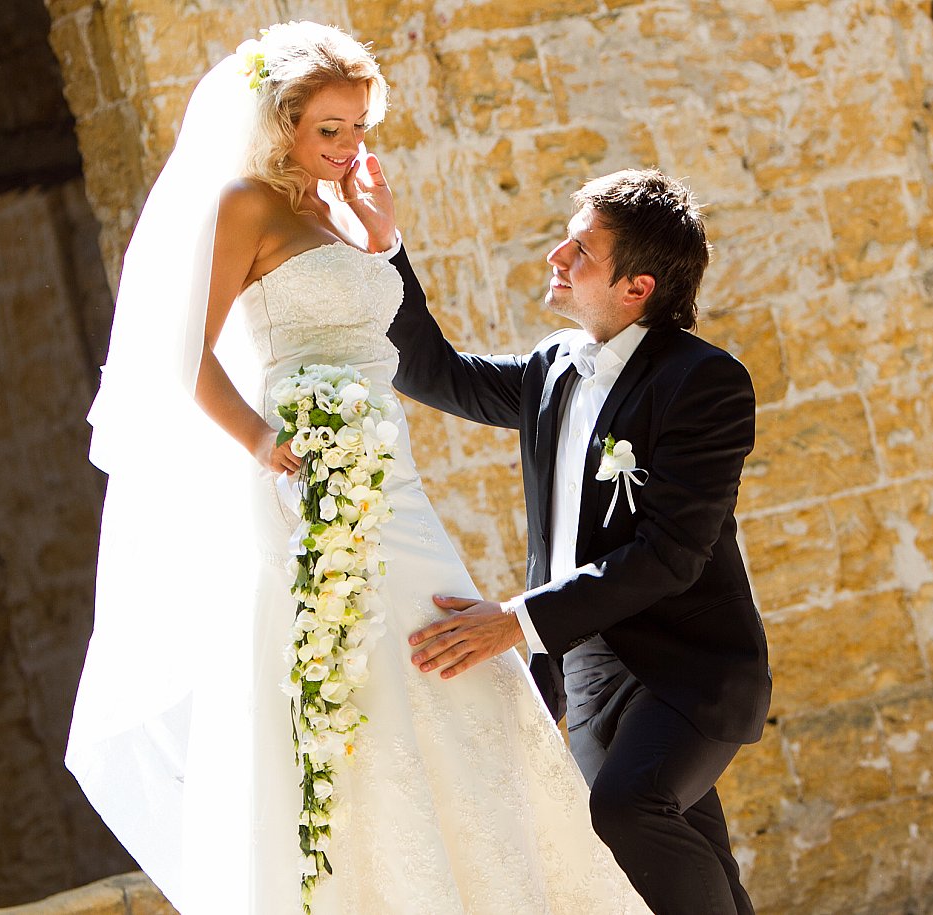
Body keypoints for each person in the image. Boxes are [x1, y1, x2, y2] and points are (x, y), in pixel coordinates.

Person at [66, 21, 652, 915]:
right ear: (283, 124)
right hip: (308, 483)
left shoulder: (347, 213)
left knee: (447, 657)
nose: (347, 146)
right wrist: (260, 440)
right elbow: (180, 352)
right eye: (328, 129)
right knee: (348, 672)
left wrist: (382, 238)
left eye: (359, 127)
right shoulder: (245, 205)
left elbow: (399, 349)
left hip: (392, 481)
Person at [390, 169, 772, 915]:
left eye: (582, 249)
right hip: (587, 669)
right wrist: (384, 248)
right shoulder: (553, 368)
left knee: (628, 809)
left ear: (637, 287)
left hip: (689, 669)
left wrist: (514, 620)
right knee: (682, 855)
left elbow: (670, 553)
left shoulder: (704, 382)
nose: (557, 256)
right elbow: (433, 373)